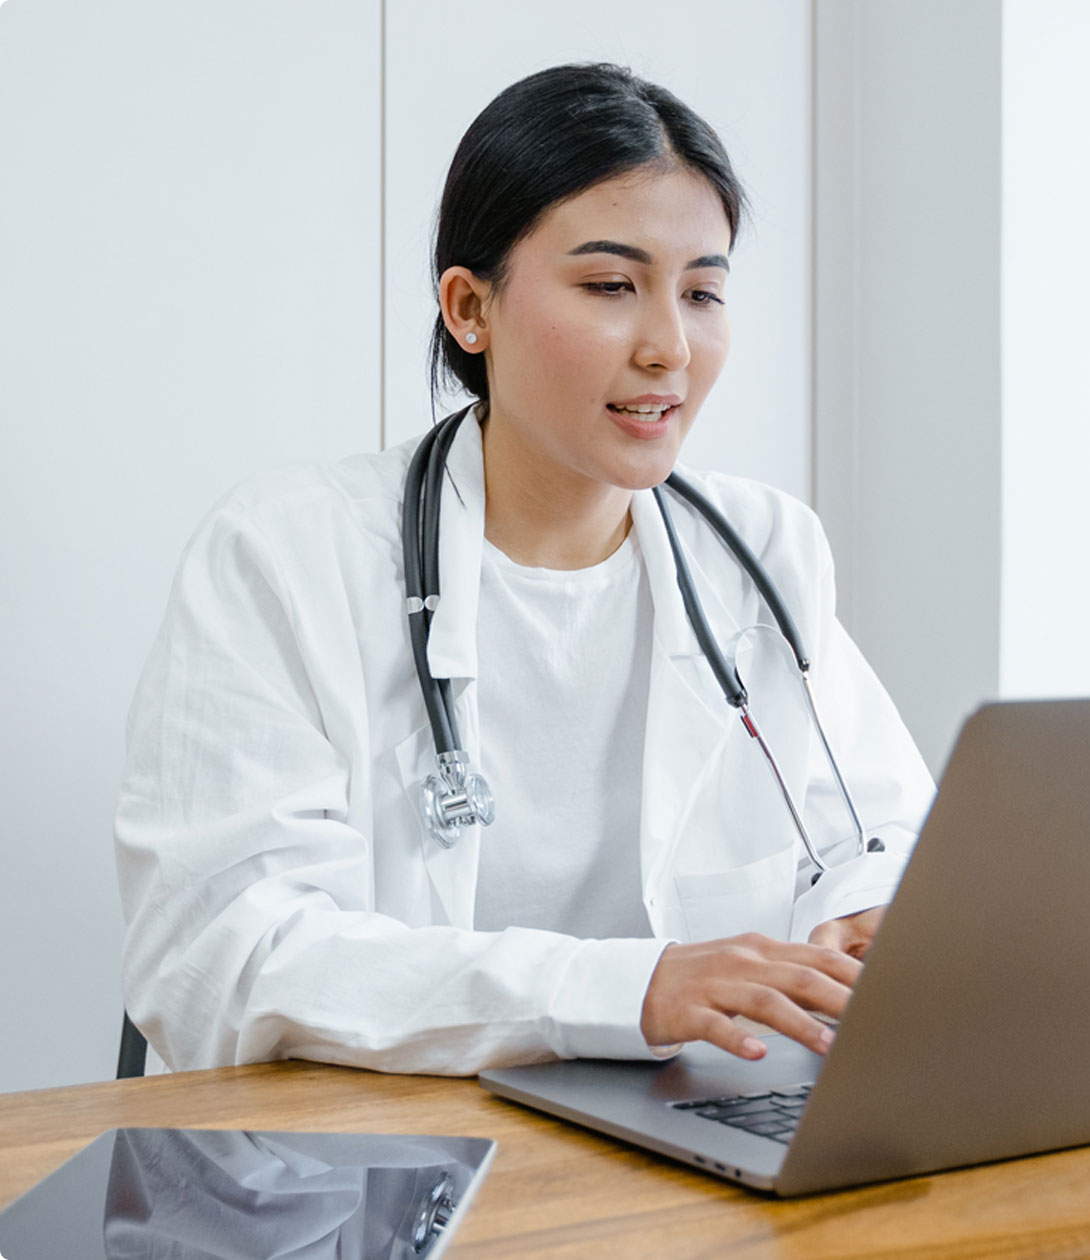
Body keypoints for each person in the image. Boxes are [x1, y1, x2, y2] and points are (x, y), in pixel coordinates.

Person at [115, 63, 934, 1077]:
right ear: (470, 308)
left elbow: (875, 828)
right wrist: (621, 991)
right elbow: (222, 960)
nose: (670, 346)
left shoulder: (761, 554)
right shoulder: (285, 557)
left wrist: (869, 917)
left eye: (703, 292)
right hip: (361, 1175)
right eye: (610, 286)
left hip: (675, 1143)